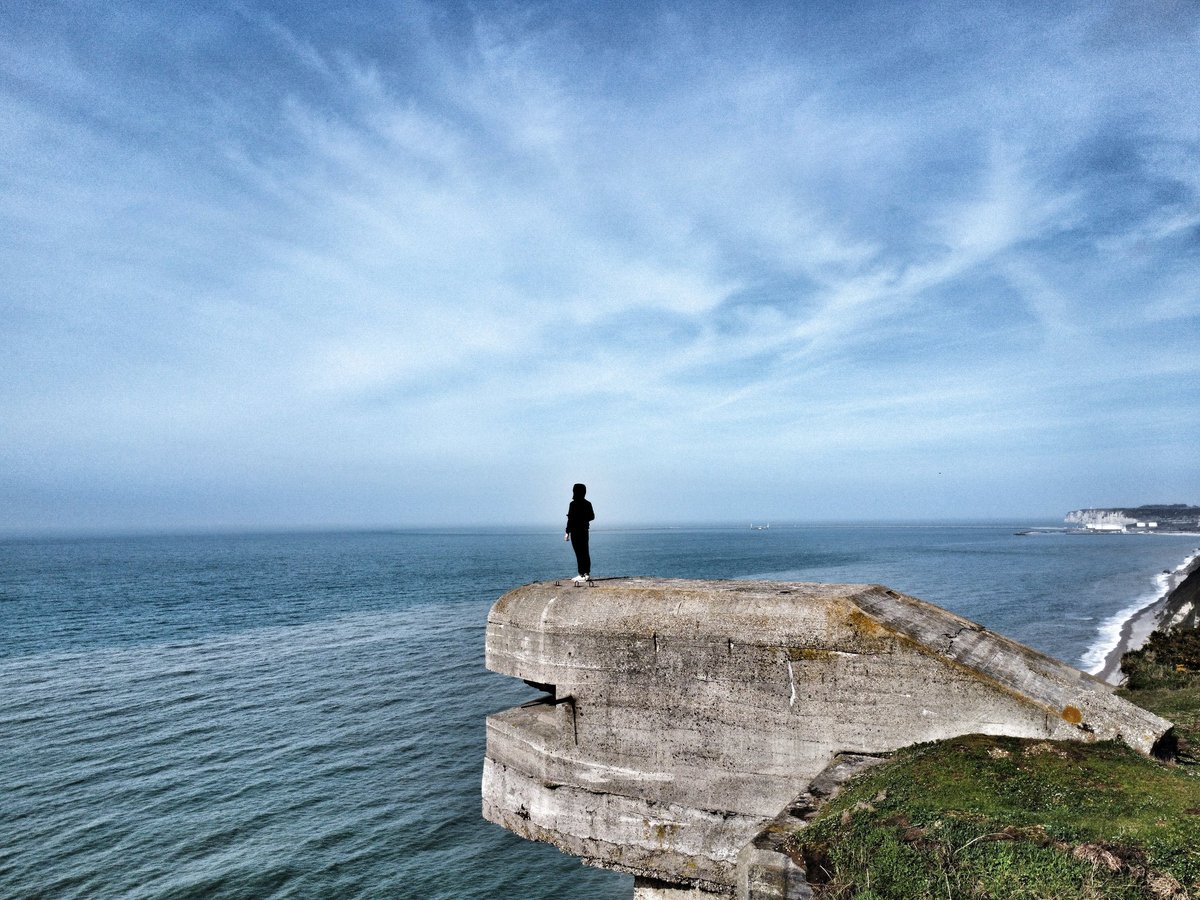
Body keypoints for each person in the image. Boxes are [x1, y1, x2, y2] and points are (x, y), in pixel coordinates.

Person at [565, 483, 595, 583]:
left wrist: (567, 532)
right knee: (585, 551)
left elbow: (570, 519)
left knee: (579, 552)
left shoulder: (572, 504)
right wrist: (583, 519)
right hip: (584, 530)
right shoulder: (588, 503)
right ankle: (586, 573)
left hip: (575, 531)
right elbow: (592, 516)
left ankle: (582, 574)